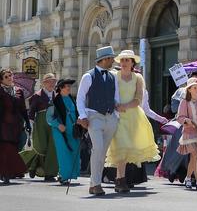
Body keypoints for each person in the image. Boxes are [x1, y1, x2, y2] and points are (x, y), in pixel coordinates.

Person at [105, 50, 160, 193]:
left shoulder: (138, 78)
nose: (123, 63)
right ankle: (121, 180)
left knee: (128, 149)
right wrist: (115, 106)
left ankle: (120, 179)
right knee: (121, 147)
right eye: (122, 60)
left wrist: (126, 106)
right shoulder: (113, 76)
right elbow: (108, 94)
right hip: (117, 116)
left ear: (132, 63)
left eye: (127, 60)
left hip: (133, 117)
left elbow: (139, 99)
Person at [76, 45, 120, 196]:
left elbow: (116, 98)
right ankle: (96, 183)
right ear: (105, 59)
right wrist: (82, 116)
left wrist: (116, 116)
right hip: (94, 116)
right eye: (111, 58)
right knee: (98, 149)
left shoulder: (112, 76)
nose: (113, 61)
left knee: (103, 153)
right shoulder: (88, 76)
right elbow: (80, 98)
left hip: (110, 118)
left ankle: (94, 183)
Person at [20, 73, 59, 181]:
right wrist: (29, 124)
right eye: (50, 81)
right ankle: (23, 163)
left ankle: (50, 174)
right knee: (40, 147)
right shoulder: (37, 95)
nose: (52, 84)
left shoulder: (57, 95)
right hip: (41, 122)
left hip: (54, 122)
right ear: (44, 83)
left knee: (52, 148)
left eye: (54, 81)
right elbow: (31, 111)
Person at [176, 77, 197, 189]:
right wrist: (187, 121)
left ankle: (188, 178)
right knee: (195, 154)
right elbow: (180, 118)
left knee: (195, 156)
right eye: (194, 88)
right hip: (189, 132)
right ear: (189, 90)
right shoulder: (184, 102)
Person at [46, 79, 80, 185]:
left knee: (74, 151)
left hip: (73, 130)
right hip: (60, 131)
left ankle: (71, 174)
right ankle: (63, 175)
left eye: (69, 86)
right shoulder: (55, 101)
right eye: (67, 86)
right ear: (60, 88)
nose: (69, 88)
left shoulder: (72, 99)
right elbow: (49, 118)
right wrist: (58, 125)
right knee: (63, 153)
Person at [0, 68, 30, 184]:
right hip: (3, 124)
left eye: (10, 75)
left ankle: (10, 172)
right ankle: (5, 173)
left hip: (16, 125)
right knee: (5, 149)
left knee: (13, 148)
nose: (9, 78)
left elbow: (23, 108)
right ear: (1, 79)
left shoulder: (19, 91)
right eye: (6, 76)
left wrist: (27, 123)